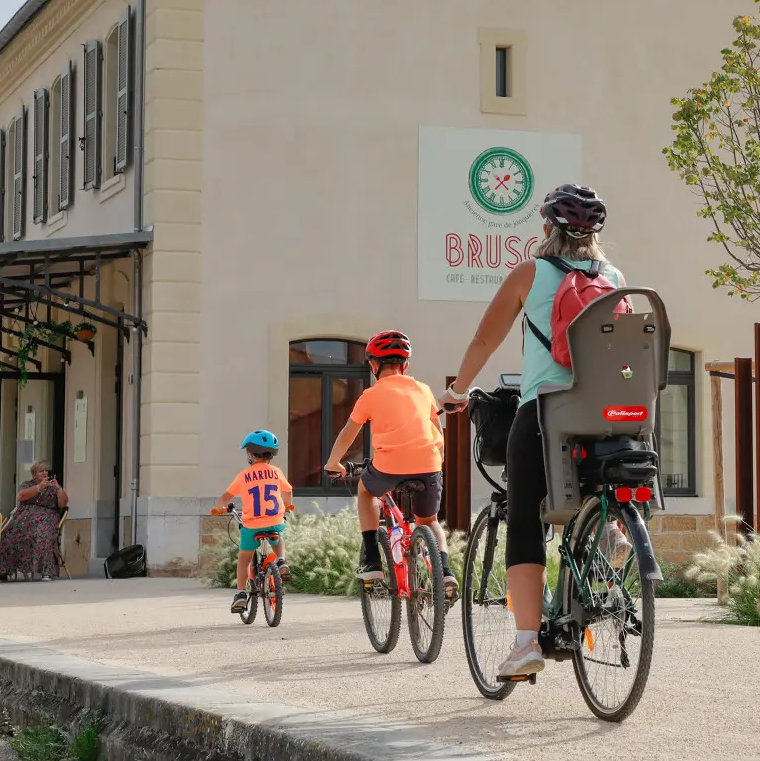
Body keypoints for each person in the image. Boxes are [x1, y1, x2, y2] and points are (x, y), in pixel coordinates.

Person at [440, 184, 629, 679]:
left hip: (547, 412)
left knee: (525, 519)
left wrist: (458, 390)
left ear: (547, 228)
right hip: (609, 415)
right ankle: (608, 530)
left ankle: (526, 644)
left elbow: (486, 337)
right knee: (593, 496)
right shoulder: (614, 278)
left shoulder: (531, 272)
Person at [321, 330, 454, 590]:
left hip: (388, 466)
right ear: (406, 365)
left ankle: (371, 561)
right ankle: (446, 572)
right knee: (429, 521)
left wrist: (333, 463)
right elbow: (438, 431)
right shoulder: (424, 390)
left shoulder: (371, 395)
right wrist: (437, 462)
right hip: (428, 465)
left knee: (366, 492)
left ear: (373, 364)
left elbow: (349, 432)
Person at [211, 430, 295, 615]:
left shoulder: (244, 476)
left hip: (252, 525)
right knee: (278, 536)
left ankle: (241, 594)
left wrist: (218, 508)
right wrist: (288, 505)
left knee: (244, 558)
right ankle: (281, 561)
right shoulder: (276, 472)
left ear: (250, 453)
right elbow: (288, 490)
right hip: (274, 521)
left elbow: (227, 495)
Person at [0, 460, 70, 581]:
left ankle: (46, 572)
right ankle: (5, 570)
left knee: (42, 533)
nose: (44, 473)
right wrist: (38, 487)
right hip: (24, 519)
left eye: (46, 471)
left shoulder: (53, 487)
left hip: (47, 517)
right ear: (34, 474)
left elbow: (63, 504)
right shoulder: (27, 484)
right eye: (41, 471)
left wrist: (58, 489)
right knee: (7, 534)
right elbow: (20, 496)